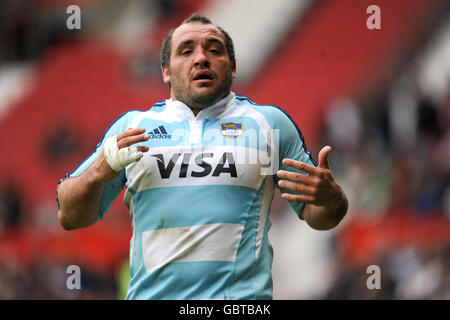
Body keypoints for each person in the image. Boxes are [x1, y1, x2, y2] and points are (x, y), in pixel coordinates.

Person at [57, 13, 348, 300]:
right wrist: (97, 173)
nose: (200, 59)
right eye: (186, 51)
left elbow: (319, 217)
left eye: (214, 50)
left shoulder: (269, 124)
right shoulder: (132, 128)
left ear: (232, 67)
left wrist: (332, 198)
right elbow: (70, 217)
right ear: (166, 71)